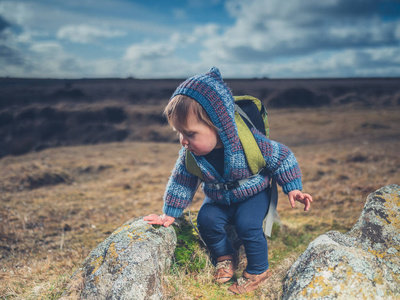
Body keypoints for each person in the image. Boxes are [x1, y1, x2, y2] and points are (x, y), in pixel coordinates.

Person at [144, 67, 312, 294]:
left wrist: (293, 188)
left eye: (190, 134)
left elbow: (282, 157)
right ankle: (225, 256)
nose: (183, 141)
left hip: (253, 194)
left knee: (248, 225)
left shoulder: (250, 143)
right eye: (179, 133)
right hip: (219, 198)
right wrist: (170, 213)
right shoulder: (190, 156)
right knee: (206, 220)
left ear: (218, 126)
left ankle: (258, 271)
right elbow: (181, 182)